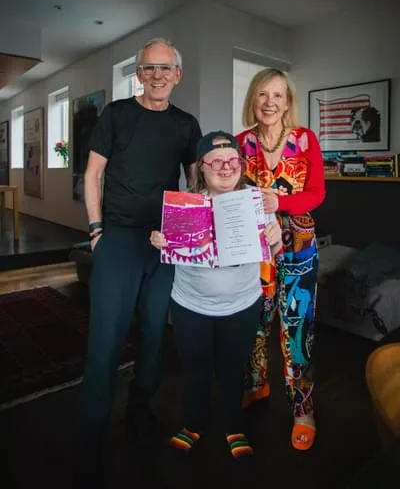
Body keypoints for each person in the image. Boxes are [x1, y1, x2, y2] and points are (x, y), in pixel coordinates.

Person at [77, 38, 202, 464]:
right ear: (138, 74)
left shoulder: (186, 124)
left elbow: (196, 184)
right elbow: (93, 174)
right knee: (106, 336)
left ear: (178, 74)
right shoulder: (116, 114)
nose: (158, 75)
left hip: (164, 242)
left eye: (166, 68)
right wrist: (96, 231)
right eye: (149, 68)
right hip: (118, 238)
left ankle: (139, 408)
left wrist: (187, 234)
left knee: (153, 333)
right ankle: (92, 427)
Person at [150, 131, 283, 460]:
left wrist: (276, 236)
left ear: (240, 164)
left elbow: (273, 250)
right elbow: (170, 249)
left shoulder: (256, 201)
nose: (226, 168)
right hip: (190, 305)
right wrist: (160, 241)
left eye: (232, 160)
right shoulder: (183, 204)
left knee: (231, 368)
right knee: (195, 369)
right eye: (216, 161)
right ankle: (194, 423)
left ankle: (233, 426)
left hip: (241, 304)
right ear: (200, 167)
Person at [236, 68, 326, 451]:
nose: (270, 102)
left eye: (278, 95)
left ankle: (302, 407)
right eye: (262, 95)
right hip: (254, 250)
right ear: (252, 101)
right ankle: (257, 385)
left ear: (288, 101)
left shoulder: (305, 140)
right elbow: (230, 191)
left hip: (299, 247)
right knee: (254, 320)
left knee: (297, 329)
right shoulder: (240, 143)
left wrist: (281, 203)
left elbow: (317, 192)